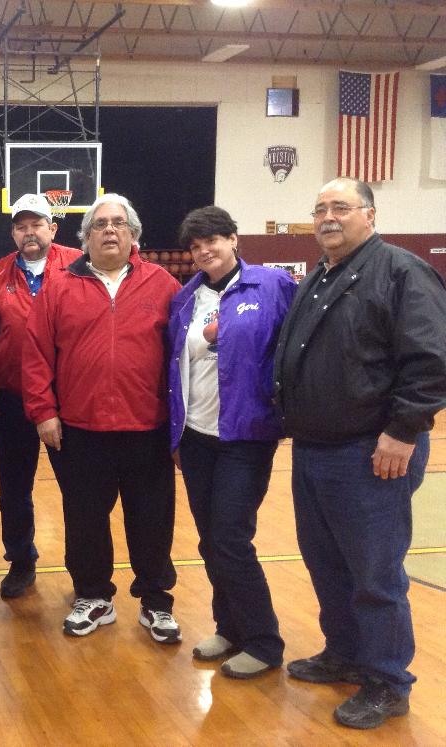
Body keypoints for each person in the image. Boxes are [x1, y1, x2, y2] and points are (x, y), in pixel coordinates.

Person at [274, 177, 446, 729]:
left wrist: (403, 430)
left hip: (372, 452)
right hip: (315, 449)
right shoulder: (322, 275)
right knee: (326, 564)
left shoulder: (400, 270)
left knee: (374, 575)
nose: (328, 217)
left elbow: (431, 359)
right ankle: (344, 654)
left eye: (341, 207)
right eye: (320, 208)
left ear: (369, 215)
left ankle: (387, 681)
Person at [23, 193, 182, 642]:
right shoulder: (58, 286)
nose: (109, 230)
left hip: (146, 427)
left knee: (152, 519)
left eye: (118, 223)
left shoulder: (163, 284)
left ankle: (156, 601)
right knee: (85, 518)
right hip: (80, 428)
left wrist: (177, 424)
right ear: (85, 236)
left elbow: (180, 359)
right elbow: (36, 354)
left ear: (133, 234)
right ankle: (93, 596)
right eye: (100, 224)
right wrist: (44, 412)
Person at [167, 206, 297, 679]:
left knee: (230, 537)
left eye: (213, 240)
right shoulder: (185, 299)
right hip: (198, 437)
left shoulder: (273, 285)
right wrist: (175, 433)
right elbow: (176, 368)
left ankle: (264, 642)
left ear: (234, 239)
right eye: (196, 245)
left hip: (246, 435)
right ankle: (230, 626)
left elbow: (298, 346)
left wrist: (286, 405)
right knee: (210, 540)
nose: (205, 251)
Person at [0, 194, 81, 598]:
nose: (29, 232)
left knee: (77, 489)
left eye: (37, 224)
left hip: (68, 401)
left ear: (53, 229)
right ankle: (21, 561)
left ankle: (83, 567)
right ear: (13, 233)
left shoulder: (78, 264)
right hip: (14, 400)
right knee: (13, 489)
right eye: (21, 226)